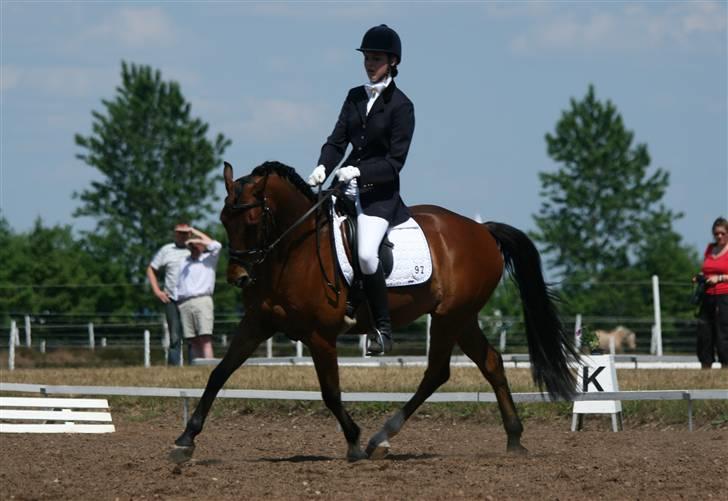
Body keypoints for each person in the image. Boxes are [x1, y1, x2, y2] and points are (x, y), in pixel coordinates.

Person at [306, 24, 415, 356]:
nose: (370, 63)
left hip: (379, 195)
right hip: (344, 186)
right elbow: (337, 141)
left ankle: (382, 329)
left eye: (376, 58)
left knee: (367, 253)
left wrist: (361, 170)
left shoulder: (402, 106)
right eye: (367, 57)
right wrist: (324, 166)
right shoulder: (354, 96)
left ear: (393, 61)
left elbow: (395, 162)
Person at [146, 223, 192, 366]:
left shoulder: (195, 249)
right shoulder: (167, 250)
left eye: (185, 233)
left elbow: (214, 246)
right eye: (179, 233)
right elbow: (151, 269)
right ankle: (173, 366)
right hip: (171, 298)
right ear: (175, 234)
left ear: (190, 234)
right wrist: (157, 291)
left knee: (192, 335)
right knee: (174, 335)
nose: (182, 236)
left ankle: (194, 365)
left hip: (190, 298)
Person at [175, 227, 222, 360]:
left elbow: (217, 245)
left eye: (197, 245)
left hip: (202, 300)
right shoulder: (184, 262)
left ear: (202, 246)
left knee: (205, 338)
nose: (194, 247)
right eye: (192, 246)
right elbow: (178, 282)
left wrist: (194, 232)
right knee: (192, 339)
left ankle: (208, 365)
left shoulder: (209, 260)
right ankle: (196, 366)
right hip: (185, 302)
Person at [694, 217, 728, 368]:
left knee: (722, 331)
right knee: (704, 331)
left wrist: (719, 278)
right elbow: (706, 269)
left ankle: (726, 363)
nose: (719, 236)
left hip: (724, 296)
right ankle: (706, 363)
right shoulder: (709, 248)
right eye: (716, 234)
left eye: (722, 233)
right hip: (707, 295)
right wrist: (700, 277)